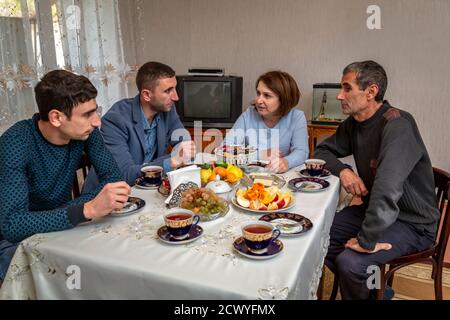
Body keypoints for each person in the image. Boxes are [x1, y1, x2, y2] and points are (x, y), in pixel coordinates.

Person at [315, 60, 439, 299]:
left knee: (351, 263)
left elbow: (387, 187)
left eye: (347, 88)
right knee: (317, 238)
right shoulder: (354, 124)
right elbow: (322, 152)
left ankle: (370, 289)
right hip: (377, 209)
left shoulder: (398, 124)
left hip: (412, 223)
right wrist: (344, 171)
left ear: (371, 92)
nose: (340, 96)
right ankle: (379, 293)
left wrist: (367, 240)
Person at [0, 70, 131, 283]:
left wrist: (74, 212)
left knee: (115, 262)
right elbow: (13, 225)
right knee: (78, 279)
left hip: (60, 229)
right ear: (56, 117)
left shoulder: (85, 133)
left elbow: (113, 179)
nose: (97, 121)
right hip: (11, 242)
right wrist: (86, 209)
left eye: (95, 110)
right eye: (87, 114)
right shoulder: (16, 142)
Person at [83, 61, 195, 190]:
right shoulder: (116, 120)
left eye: (175, 88)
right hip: (106, 196)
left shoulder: (167, 109)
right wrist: (169, 162)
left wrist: (186, 148)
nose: (176, 97)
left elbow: (182, 140)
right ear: (147, 95)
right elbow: (124, 175)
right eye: (168, 91)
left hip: (145, 187)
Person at [224, 71, 308, 173]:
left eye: (267, 96)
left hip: (281, 177)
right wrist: (261, 154)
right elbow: (225, 148)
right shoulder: (249, 114)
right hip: (250, 176)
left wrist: (286, 162)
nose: (259, 100)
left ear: (283, 99)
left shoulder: (297, 117)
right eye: (258, 93)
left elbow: (301, 151)